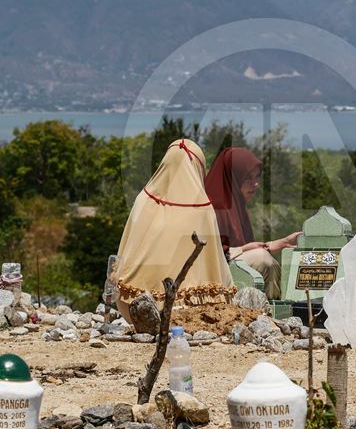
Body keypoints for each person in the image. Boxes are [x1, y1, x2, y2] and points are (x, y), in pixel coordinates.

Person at [110, 139, 235, 324]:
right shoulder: (202, 209)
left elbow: (123, 256)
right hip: (188, 314)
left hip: (132, 308)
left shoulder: (143, 200)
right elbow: (216, 269)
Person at [204, 147, 300, 300]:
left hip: (231, 271)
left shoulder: (238, 207)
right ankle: (268, 310)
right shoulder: (214, 207)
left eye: (257, 177)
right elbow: (209, 254)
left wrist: (274, 244)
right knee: (263, 260)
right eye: (248, 177)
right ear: (233, 178)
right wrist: (244, 249)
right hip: (212, 280)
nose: (256, 184)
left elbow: (244, 250)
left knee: (264, 257)